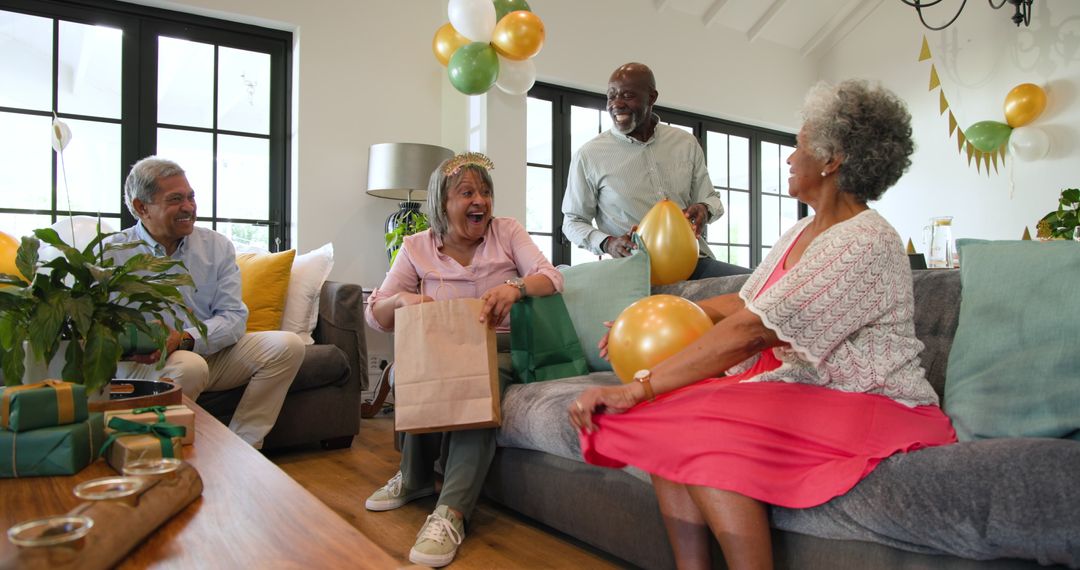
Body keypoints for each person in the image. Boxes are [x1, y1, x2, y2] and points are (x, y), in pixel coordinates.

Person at [568, 80, 957, 569]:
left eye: (799, 144)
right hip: (804, 386)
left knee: (694, 424)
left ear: (832, 158)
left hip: (869, 399)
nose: (790, 158)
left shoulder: (866, 239)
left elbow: (754, 329)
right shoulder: (802, 229)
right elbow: (749, 302)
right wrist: (635, 319)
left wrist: (638, 388)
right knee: (666, 422)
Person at [364, 152, 564, 568]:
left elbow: (551, 277)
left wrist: (516, 288)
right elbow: (376, 312)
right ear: (442, 202)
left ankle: (451, 511)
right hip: (445, 346)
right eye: (467, 192)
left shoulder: (506, 232)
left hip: (507, 346)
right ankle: (415, 479)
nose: (481, 201)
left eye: (486, 192)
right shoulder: (417, 246)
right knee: (430, 367)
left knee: (476, 377)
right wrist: (402, 298)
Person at [111, 156, 304, 449]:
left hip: (205, 350)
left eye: (190, 197)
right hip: (153, 363)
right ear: (141, 208)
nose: (188, 207)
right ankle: (162, 451)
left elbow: (233, 317)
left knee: (288, 345)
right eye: (175, 199)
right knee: (189, 366)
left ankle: (243, 447)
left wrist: (185, 338)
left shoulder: (216, 246)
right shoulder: (112, 253)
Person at [561, 62, 750, 279]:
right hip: (633, 268)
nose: (617, 104)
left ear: (652, 97)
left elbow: (711, 199)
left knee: (756, 289)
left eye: (627, 95)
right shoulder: (589, 154)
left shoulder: (685, 143)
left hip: (694, 263)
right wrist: (608, 243)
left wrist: (704, 209)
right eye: (611, 96)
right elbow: (572, 221)